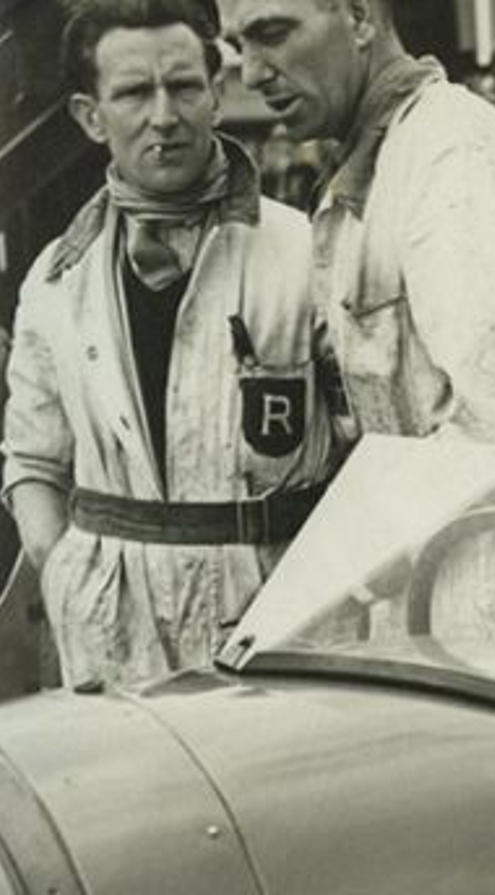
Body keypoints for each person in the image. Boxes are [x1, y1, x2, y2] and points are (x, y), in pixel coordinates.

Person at [220, 0, 495, 690]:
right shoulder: (373, 168)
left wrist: (331, 573)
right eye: (237, 45)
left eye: (274, 32)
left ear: (359, 16)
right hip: (443, 570)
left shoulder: (451, 153)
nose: (252, 70)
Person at [1, 0, 336, 689]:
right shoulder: (58, 282)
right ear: (91, 117)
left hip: (276, 627)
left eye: (184, 86)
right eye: (132, 93)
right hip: (112, 635)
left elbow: (378, 449)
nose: (164, 115)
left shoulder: (308, 253)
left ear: (217, 94)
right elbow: (33, 457)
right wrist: (63, 565)